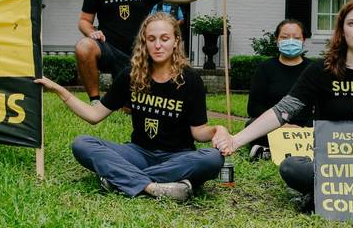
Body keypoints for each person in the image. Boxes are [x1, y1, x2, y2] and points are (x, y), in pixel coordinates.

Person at [217, 0, 353, 211]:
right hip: (332, 166)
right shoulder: (320, 71)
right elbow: (283, 111)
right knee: (291, 168)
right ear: (342, 29)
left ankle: (326, 194)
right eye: (351, 23)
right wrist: (236, 140)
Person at [37, 12, 227, 201]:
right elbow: (94, 115)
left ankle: (121, 179)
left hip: (178, 157)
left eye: (165, 38)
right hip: (137, 153)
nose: (158, 45)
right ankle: (154, 186)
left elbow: (198, 132)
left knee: (212, 159)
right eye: (151, 39)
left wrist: (219, 129)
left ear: (176, 41)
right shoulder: (132, 75)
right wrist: (58, 89)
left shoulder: (191, 80)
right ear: (144, 42)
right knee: (82, 144)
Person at [77, 0, 229, 103]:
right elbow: (84, 21)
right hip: (109, 49)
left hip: (139, 53)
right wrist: (91, 32)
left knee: (131, 107)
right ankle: (94, 100)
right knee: (84, 46)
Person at [245, 19, 312, 159]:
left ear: (304, 40)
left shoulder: (313, 69)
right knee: (251, 124)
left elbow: (321, 106)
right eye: (284, 37)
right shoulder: (265, 68)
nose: (291, 41)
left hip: (305, 129)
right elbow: (253, 108)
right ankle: (285, 150)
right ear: (277, 40)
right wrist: (283, 126)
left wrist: (300, 128)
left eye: (297, 37)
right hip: (273, 126)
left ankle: (270, 151)